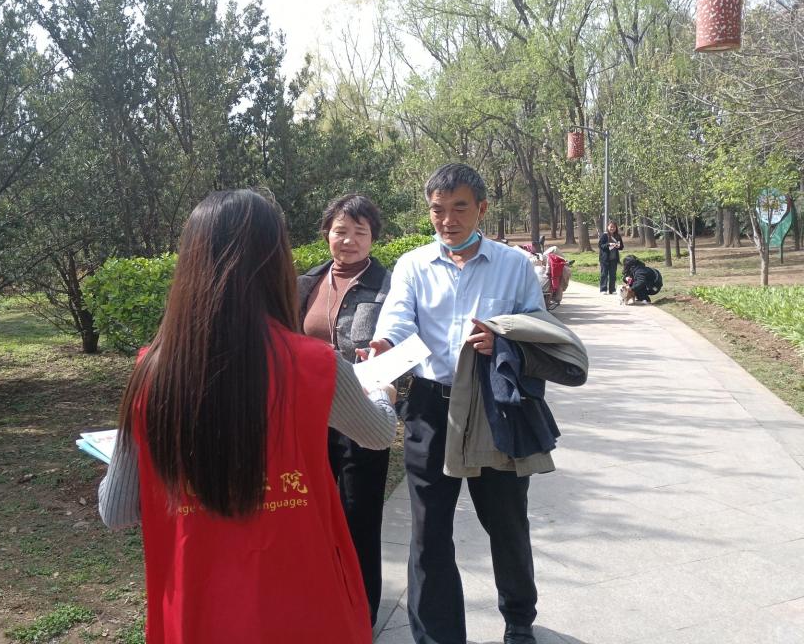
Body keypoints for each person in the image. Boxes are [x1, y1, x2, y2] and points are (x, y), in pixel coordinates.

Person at [97, 189, 397, 644]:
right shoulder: (315, 365)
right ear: (275, 263)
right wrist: (383, 395)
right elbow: (377, 434)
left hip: (199, 614)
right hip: (302, 608)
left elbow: (116, 511)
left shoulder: (153, 373)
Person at [360, 163, 547, 644]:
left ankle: (519, 620)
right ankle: (438, 636)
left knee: (506, 521)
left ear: (481, 209)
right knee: (429, 531)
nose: (447, 220)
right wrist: (383, 345)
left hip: (493, 407)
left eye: (459, 208)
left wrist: (505, 343)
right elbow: (399, 320)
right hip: (429, 409)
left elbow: (539, 331)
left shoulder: (513, 265)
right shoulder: (413, 265)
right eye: (437, 210)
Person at [297, 193, 391, 627]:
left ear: (373, 237)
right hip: (308, 416)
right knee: (311, 514)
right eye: (340, 231)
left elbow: (404, 340)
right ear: (326, 234)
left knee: (359, 518)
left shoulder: (389, 286)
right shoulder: (305, 284)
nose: (349, 240)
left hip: (360, 416)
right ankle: (321, 605)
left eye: (359, 232)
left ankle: (362, 614)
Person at [598, 220, 624, 294]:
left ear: (616, 228)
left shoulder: (617, 236)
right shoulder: (604, 235)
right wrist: (609, 244)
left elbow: (621, 246)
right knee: (604, 274)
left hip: (614, 259)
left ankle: (612, 290)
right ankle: (603, 289)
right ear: (608, 227)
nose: (612, 228)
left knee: (613, 275)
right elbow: (600, 246)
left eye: (614, 227)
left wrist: (618, 246)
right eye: (611, 227)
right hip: (605, 259)